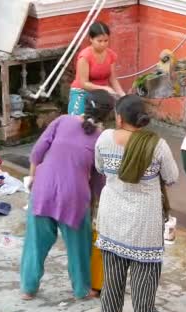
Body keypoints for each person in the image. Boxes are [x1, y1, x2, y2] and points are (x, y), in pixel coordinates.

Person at [20, 90, 115, 300]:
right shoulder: (101, 140)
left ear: (84, 106)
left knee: (35, 244)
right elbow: (99, 181)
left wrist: (34, 179)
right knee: (79, 247)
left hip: (43, 190)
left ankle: (28, 288)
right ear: (108, 115)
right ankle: (82, 289)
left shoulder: (62, 120)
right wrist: (98, 206)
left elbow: (37, 153)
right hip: (75, 197)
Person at [95, 94, 178, 312]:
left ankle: (109, 311)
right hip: (144, 217)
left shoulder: (105, 138)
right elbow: (172, 178)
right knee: (146, 269)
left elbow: (100, 167)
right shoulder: (156, 145)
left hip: (111, 212)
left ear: (119, 118)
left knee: (113, 264)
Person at [68, 21, 125, 115]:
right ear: (91, 39)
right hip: (82, 92)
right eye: (99, 41)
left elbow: (113, 79)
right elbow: (84, 84)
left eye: (106, 41)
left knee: (98, 123)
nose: (103, 44)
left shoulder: (111, 55)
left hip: (101, 95)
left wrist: (122, 95)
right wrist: (105, 89)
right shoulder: (85, 56)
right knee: (76, 121)